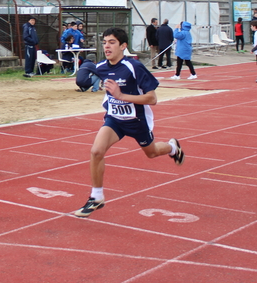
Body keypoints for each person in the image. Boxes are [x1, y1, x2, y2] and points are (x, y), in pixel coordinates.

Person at [73, 27, 184, 217]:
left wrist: (121, 95)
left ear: (123, 46)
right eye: (105, 42)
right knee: (96, 151)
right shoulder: (101, 68)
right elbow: (92, 77)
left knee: (152, 153)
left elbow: (152, 99)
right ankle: (96, 197)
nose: (107, 46)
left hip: (137, 120)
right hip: (115, 119)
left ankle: (173, 147)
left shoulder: (134, 67)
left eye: (112, 42)